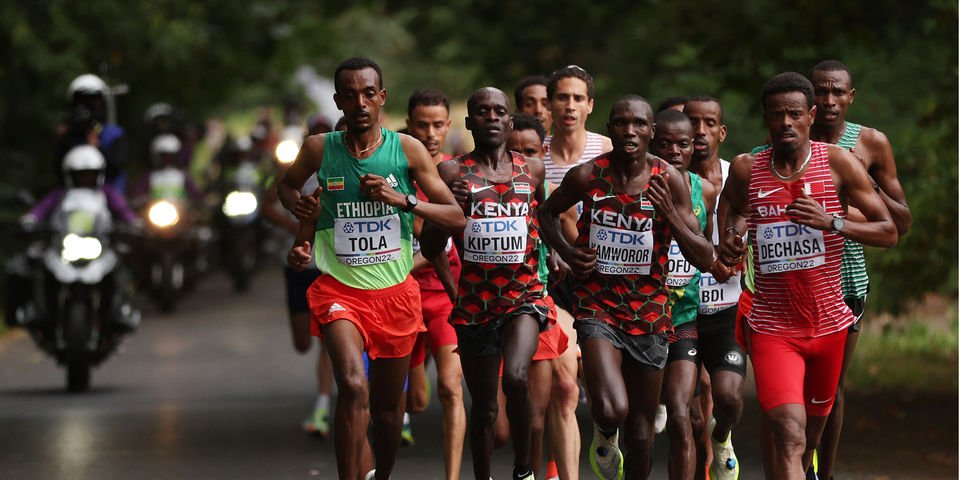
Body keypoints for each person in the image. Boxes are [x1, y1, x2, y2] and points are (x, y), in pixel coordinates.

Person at [279, 57, 464, 480]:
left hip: (396, 294)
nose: (360, 102)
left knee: (385, 415)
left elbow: (455, 217)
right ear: (338, 100)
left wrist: (402, 200)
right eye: (350, 94)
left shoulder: (407, 151)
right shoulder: (317, 149)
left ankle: (381, 474)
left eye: (369, 93)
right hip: (338, 291)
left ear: (382, 98)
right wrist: (298, 207)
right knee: (353, 385)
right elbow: (286, 186)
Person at [717, 72, 897, 479]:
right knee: (789, 434)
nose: (786, 123)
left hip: (829, 324)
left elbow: (888, 231)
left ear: (811, 116)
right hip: (772, 326)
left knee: (810, 439)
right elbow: (731, 207)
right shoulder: (748, 167)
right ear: (765, 117)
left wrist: (832, 222)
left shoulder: (837, 163)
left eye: (794, 114)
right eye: (777, 115)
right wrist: (730, 237)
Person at [540, 95, 716, 480]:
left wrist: (670, 213)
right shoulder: (588, 175)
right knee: (611, 409)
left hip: (651, 312)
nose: (630, 131)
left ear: (651, 132)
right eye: (621, 123)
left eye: (639, 124)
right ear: (610, 128)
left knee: (640, 430)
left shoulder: (668, 179)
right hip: (597, 305)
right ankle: (604, 431)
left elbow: (705, 256)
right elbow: (546, 213)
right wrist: (569, 251)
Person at [421, 87, 550, 480]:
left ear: (510, 120)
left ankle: (523, 470)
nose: (491, 117)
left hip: (525, 297)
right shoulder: (451, 173)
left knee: (514, 377)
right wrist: (455, 209)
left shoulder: (533, 170)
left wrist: (559, 256)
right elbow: (430, 244)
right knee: (485, 410)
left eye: (499, 111)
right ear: (470, 122)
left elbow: (540, 220)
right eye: (482, 111)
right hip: (475, 302)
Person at [807, 59, 911, 480]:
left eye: (837, 93)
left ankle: (824, 473)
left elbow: (901, 222)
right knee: (796, 388)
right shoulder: (791, 135)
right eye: (820, 92)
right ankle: (798, 466)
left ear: (851, 97)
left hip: (847, 280)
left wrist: (853, 185)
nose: (829, 101)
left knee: (832, 388)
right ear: (808, 98)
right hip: (796, 277)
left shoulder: (870, 143)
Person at [504, 112, 580, 480]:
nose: (520, 158)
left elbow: (579, 246)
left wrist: (559, 250)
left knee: (556, 396)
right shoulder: (475, 186)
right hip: (486, 306)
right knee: (502, 426)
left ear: (543, 151)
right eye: (512, 149)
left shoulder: (550, 191)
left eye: (529, 151)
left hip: (543, 303)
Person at [402, 88, 468, 479]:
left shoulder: (457, 175)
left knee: (449, 387)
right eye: (421, 124)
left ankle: (453, 475)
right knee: (417, 400)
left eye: (437, 124)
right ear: (409, 125)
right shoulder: (396, 172)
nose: (429, 132)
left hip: (444, 295)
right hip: (404, 295)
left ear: (448, 126)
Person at [649, 109, 717, 480]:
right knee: (636, 419)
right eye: (665, 144)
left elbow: (708, 251)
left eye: (683, 144)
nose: (674, 151)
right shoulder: (633, 184)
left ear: (694, 148)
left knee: (680, 414)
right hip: (637, 317)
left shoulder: (704, 191)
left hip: (684, 316)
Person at [261, 117, 336, 439]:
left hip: (329, 265)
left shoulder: (339, 166)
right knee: (303, 341)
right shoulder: (295, 168)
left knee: (330, 338)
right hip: (299, 263)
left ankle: (323, 403)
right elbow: (269, 204)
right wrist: (297, 223)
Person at [683, 95, 744, 480]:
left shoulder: (739, 177)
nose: (699, 131)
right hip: (682, 312)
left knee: (728, 399)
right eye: (692, 122)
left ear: (721, 131)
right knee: (686, 412)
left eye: (708, 123)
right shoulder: (670, 179)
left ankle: (721, 437)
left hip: (728, 308)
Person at [59, 74, 128, 192]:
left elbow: (116, 168)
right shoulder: (68, 135)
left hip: (108, 199)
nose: (87, 106)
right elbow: (58, 172)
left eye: (93, 101)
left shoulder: (114, 134)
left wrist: (98, 147)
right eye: (81, 101)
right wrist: (65, 140)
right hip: (73, 198)